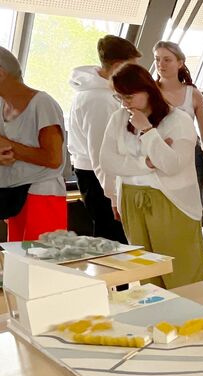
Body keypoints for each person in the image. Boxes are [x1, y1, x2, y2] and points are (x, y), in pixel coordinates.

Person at [99, 63, 203, 289]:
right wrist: (147, 163)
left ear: (147, 89)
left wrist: (148, 131)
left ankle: (196, 320)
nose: (124, 103)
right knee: (147, 273)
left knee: (182, 272)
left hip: (171, 201)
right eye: (120, 97)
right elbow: (107, 162)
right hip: (131, 198)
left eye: (129, 96)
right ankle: (160, 321)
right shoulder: (119, 118)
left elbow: (171, 165)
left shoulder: (178, 120)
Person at [0, 44, 67, 241]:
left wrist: (5, 144)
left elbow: (53, 159)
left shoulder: (43, 104)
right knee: (19, 262)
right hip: (12, 195)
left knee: (41, 263)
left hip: (41, 194)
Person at [68, 35, 140, 242]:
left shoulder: (104, 95)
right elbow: (101, 155)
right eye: (132, 67)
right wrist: (114, 197)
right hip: (98, 177)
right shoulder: (98, 99)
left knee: (114, 239)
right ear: (118, 65)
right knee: (112, 240)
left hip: (100, 174)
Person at [154, 41, 203, 206]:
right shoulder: (150, 92)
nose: (161, 64)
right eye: (157, 59)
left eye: (167, 59)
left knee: (191, 209)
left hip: (191, 158)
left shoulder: (193, 94)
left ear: (180, 63)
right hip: (160, 156)